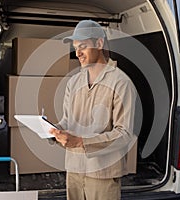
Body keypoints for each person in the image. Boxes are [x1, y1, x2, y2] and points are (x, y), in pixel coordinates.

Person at [49, 20, 137, 200]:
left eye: (83, 46)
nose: (77, 53)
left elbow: (124, 134)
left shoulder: (121, 83)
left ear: (99, 44)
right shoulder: (74, 82)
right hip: (74, 169)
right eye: (75, 47)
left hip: (102, 174)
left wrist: (81, 142)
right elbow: (68, 121)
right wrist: (53, 130)